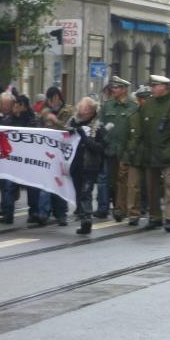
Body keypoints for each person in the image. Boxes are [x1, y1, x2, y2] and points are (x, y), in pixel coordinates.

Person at [134, 75, 170, 233]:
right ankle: (155, 217)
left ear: (164, 87)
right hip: (150, 152)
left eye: (155, 86)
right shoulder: (148, 104)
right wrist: (137, 149)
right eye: (152, 86)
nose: (152, 89)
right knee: (151, 187)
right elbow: (140, 129)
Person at [98, 76, 138, 222]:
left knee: (126, 181)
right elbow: (99, 125)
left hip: (126, 150)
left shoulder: (133, 106)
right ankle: (117, 207)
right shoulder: (107, 105)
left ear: (124, 90)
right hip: (110, 149)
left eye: (116, 88)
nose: (113, 90)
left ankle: (123, 209)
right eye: (113, 88)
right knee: (111, 181)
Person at [0, 94, 44, 225]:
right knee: (9, 186)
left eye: (16, 105)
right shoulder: (9, 120)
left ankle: (34, 212)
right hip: (14, 159)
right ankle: (8, 214)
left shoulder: (32, 120)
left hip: (28, 159)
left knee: (32, 187)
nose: (13, 107)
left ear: (23, 106)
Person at [66, 97, 106, 235]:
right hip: (75, 164)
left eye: (83, 108)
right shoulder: (73, 121)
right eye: (80, 107)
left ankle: (86, 219)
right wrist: (68, 133)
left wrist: (85, 138)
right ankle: (83, 214)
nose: (80, 110)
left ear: (91, 110)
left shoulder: (97, 126)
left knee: (85, 192)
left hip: (90, 165)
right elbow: (63, 136)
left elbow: (100, 147)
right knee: (78, 192)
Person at [38, 86, 73, 226]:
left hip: (62, 153)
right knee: (45, 183)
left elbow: (69, 129)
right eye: (51, 99)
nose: (54, 102)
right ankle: (43, 212)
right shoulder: (43, 112)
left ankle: (61, 213)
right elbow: (37, 129)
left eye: (56, 98)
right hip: (47, 152)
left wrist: (56, 121)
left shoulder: (68, 111)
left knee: (61, 183)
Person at [125, 85, 151, 226]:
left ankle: (152, 212)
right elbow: (127, 136)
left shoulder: (155, 115)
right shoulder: (133, 115)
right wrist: (127, 152)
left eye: (146, 98)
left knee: (150, 185)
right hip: (134, 155)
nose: (143, 101)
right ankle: (133, 213)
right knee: (133, 186)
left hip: (150, 156)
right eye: (141, 99)